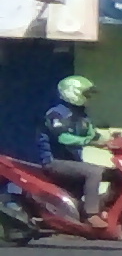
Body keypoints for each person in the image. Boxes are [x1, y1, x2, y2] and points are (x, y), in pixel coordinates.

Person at [37, 74, 108, 215]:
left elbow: (94, 134)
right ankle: (91, 214)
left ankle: (105, 208)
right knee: (94, 172)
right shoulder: (56, 114)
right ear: (72, 93)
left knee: (114, 174)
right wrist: (90, 142)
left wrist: (114, 140)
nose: (89, 98)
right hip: (54, 161)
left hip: (72, 161)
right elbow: (63, 138)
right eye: (86, 94)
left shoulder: (81, 115)